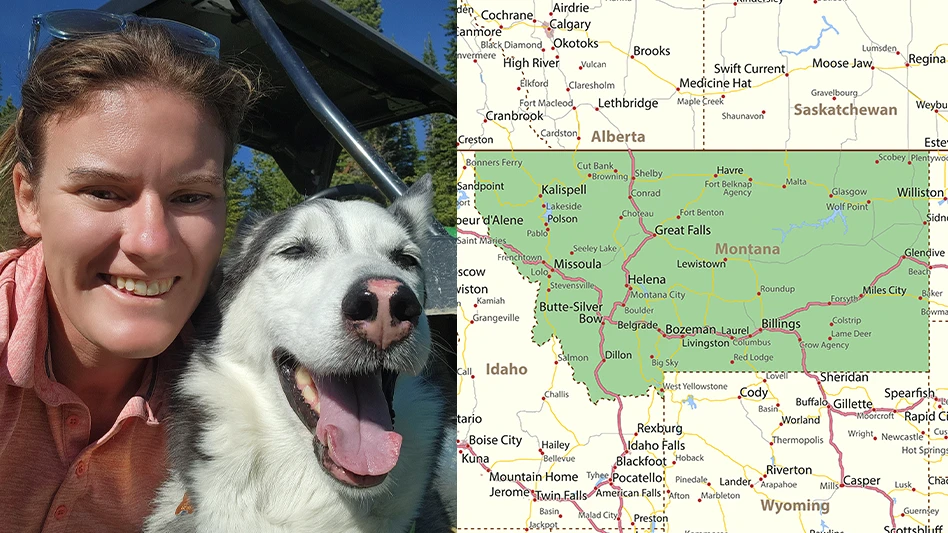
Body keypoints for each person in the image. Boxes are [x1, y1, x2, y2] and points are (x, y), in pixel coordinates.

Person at [0, 11, 258, 532]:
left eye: (190, 197)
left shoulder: (260, 383)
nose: (152, 242)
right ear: (29, 199)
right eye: (103, 192)